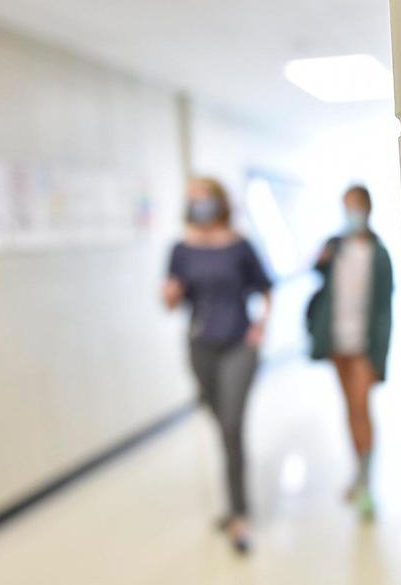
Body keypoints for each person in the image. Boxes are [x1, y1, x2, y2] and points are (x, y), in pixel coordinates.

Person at [163, 177, 271, 554]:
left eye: (203, 198)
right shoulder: (181, 249)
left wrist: (260, 327)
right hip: (201, 346)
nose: (198, 205)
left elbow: (266, 287)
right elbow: (171, 301)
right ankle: (234, 503)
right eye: (191, 200)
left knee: (231, 424)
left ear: (218, 201)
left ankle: (239, 513)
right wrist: (171, 294)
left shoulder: (240, 246)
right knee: (219, 420)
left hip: (239, 344)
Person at [307, 185, 393, 520]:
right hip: (337, 343)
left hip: (363, 346)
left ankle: (368, 484)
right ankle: (357, 474)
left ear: (368, 209)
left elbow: (385, 308)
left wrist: (380, 356)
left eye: (355, 206)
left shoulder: (379, 252)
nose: (350, 213)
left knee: (361, 408)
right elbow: (318, 277)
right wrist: (322, 260)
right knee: (349, 408)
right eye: (346, 207)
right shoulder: (335, 246)